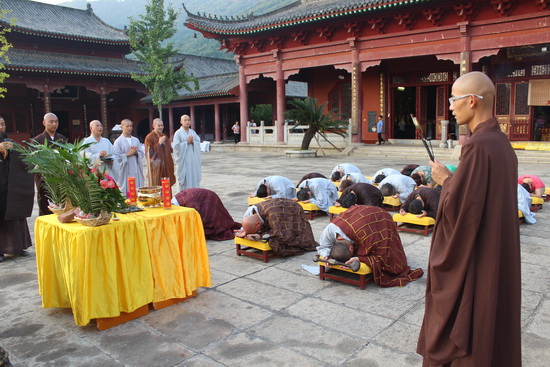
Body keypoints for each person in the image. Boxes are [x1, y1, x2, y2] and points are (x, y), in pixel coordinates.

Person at [417, 72, 521, 366]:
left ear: (472, 101)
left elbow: (460, 211)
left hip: (477, 252)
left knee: (469, 318)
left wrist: (444, 181)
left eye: (453, 99)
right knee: (490, 314)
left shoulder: (477, 147)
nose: (449, 107)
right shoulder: (501, 143)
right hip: (494, 247)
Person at [317, 205, 423, 287]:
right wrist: (326, 255)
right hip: (361, 215)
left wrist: (359, 258)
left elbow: (381, 255)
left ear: (351, 248)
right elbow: (323, 247)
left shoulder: (366, 236)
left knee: (386, 247)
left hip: (381, 216)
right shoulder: (329, 230)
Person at [0, 116, 34, 262]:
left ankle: (19, 247)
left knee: (16, 214)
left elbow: (22, 156)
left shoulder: (10, 142)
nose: (1, 127)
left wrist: (12, 150)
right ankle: (1, 250)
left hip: (11, 184)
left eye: (2, 123)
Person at [236, 198, 317, 257]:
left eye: (256, 230)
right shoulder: (252, 211)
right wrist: (244, 231)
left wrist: (260, 236)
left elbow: (279, 234)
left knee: (288, 234)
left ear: (258, 224)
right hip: (280, 206)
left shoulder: (273, 216)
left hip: (293, 208)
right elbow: (248, 223)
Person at [32, 113, 67, 215]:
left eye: (56, 122)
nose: (54, 124)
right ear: (44, 123)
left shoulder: (62, 139)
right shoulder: (37, 140)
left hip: (60, 177)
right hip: (45, 179)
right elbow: (35, 161)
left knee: (62, 204)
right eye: (51, 122)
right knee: (45, 205)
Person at [172, 188, 241, 240]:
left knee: (214, 217)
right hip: (203, 196)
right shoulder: (178, 199)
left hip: (209, 198)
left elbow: (197, 217)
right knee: (216, 217)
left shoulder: (190, 204)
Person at [113, 119, 145, 196]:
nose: (129, 128)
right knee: (126, 190)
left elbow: (141, 153)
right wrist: (128, 154)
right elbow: (116, 157)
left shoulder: (135, 140)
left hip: (135, 168)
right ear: (122, 127)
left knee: (137, 188)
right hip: (125, 170)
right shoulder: (118, 141)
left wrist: (136, 153)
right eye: (127, 126)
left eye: (131, 126)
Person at [144, 118, 176, 187]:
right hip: (156, 167)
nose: (161, 127)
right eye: (159, 126)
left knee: (167, 186)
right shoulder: (149, 137)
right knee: (156, 185)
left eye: (162, 125)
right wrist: (159, 144)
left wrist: (165, 144)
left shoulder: (164, 136)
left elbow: (170, 150)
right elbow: (149, 153)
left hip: (166, 165)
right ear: (153, 126)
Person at [173, 114, 201, 191]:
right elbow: (175, 147)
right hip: (184, 161)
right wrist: (186, 143)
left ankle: (194, 195)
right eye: (185, 120)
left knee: (193, 177)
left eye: (188, 120)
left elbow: (198, 143)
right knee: (185, 181)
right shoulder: (178, 133)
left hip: (192, 161)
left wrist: (193, 142)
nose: (187, 122)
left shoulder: (193, 132)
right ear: (181, 122)